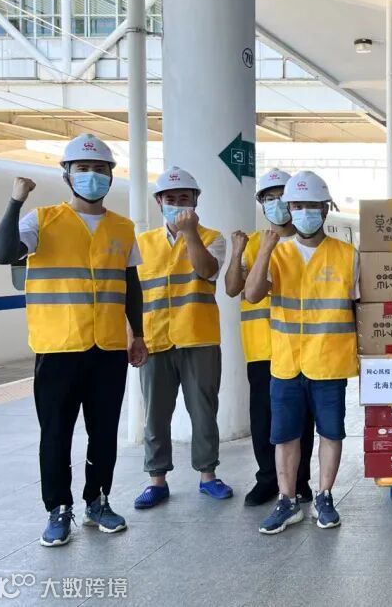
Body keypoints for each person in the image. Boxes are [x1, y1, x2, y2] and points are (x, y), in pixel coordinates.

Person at [0, 134, 146, 547]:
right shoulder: (40, 220)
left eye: (100, 169)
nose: (92, 176)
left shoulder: (123, 227)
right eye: (83, 169)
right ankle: (58, 508)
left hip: (108, 348)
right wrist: (15, 201)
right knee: (56, 433)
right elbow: (4, 254)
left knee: (104, 431)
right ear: (67, 175)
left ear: (110, 175)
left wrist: (138, 334)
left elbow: (131, 285)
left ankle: (98, 500)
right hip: (58, 347)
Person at [245, 170, 359, 534]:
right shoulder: (277, 253)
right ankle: (287, 499)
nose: (304, 212)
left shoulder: (347, 255)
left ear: (325, 209)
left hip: (330, 361)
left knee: (331, 432)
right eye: (297, 206)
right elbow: (251, 294)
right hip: (286, 363)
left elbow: (363, 307)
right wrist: (265, 250)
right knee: (284, 435)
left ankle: (324, 497)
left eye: (312, 206)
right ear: (289, 209)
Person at [133, 166, 233, 509]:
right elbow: (133, 295)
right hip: (154, 339)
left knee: (203, 411)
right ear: (159, 202)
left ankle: (208, 475)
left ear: (195, 201)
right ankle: (156, 480)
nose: (177, 204)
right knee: (155, 414)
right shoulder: (141, 244)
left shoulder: (212, 238)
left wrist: (190, 233)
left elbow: (207, 271)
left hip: (198, 338)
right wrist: (132, 336)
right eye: (170, 198)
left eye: (184, 198)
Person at [224, 168, 316, 507]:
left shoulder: (307, 244)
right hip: (262, 346)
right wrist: (237, 252)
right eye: (269, 198)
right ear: (261, 203)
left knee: (302, 417)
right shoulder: (251, 244)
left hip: (299, 345)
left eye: (282, 197)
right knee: (263, 417)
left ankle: (300, 480)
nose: (276, 203)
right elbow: (232, 288)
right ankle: (267, 479)